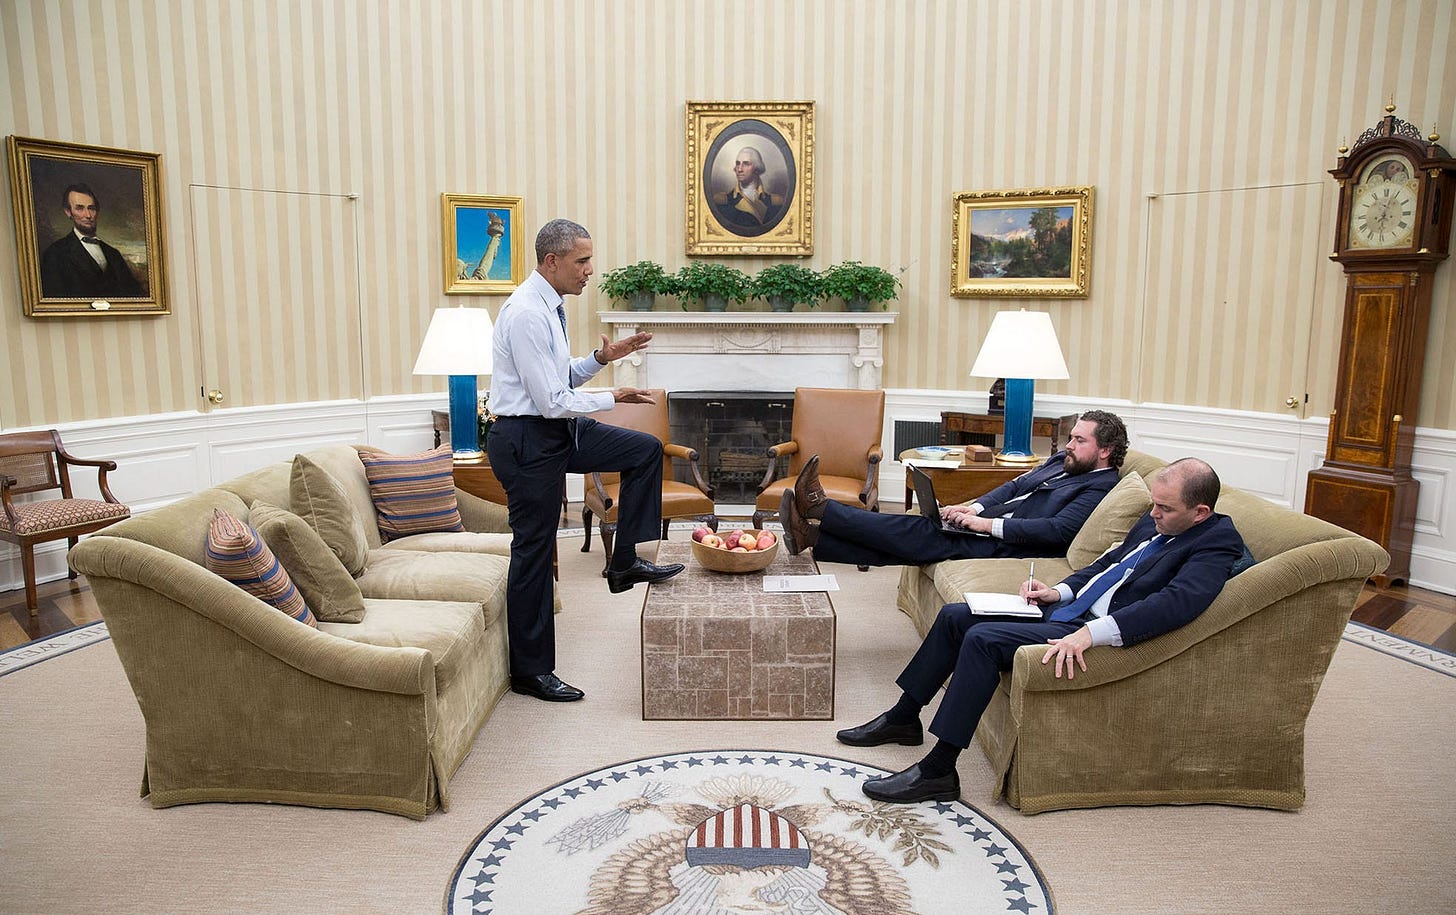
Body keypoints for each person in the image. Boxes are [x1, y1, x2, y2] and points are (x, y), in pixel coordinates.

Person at [837, 457, 1245, 804]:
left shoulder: (1215, 545)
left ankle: (939, 770)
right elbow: (1112, 562)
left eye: (1164, 509)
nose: (1154, 515)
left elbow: (1176, 604)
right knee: (956, 616)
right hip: (1070, 612)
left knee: (982, 640)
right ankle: (904, 718)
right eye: (1154, 505)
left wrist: (1091, 633)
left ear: (1200, 512)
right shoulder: (1164, 517)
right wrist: (1059, 591)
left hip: (1096, 632)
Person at [486, 218, 684, 703]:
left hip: (552, 429)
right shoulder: (527, 314)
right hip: (528, 439)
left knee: (644, 450)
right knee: (533, 550)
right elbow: (551, 401)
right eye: (582, 261)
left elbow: (558, 379)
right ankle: (530, 672)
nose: (590, 270)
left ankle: (624, 562)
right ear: (552, 261)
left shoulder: (550, 305)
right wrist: (610, 394)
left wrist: (600, 358)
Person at [779, 410, 1129, 567]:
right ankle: (811, 537)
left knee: (916, 528)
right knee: (917, 541)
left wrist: (986, 526)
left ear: (1105, 450)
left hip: (1012, 546)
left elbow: (1057, 530)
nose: (1069, 444)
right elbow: (1015, 485)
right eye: (1070, 437)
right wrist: (973, 509)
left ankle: (820, 510)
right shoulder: (1064, 462)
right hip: (989, 527)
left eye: (1079, 440)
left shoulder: (1100, 486)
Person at [39, 183, 146, 298]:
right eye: (80, 208)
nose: (88, 215)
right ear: (68, 212)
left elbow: (136, 294)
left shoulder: (113, 254)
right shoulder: (55, 253)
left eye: (91, 208)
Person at [709, 145, 784, 236]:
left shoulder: (775, 202)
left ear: (757, 168)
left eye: (746, 164)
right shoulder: (722, 201)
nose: (739, 169)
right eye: (737, 163)